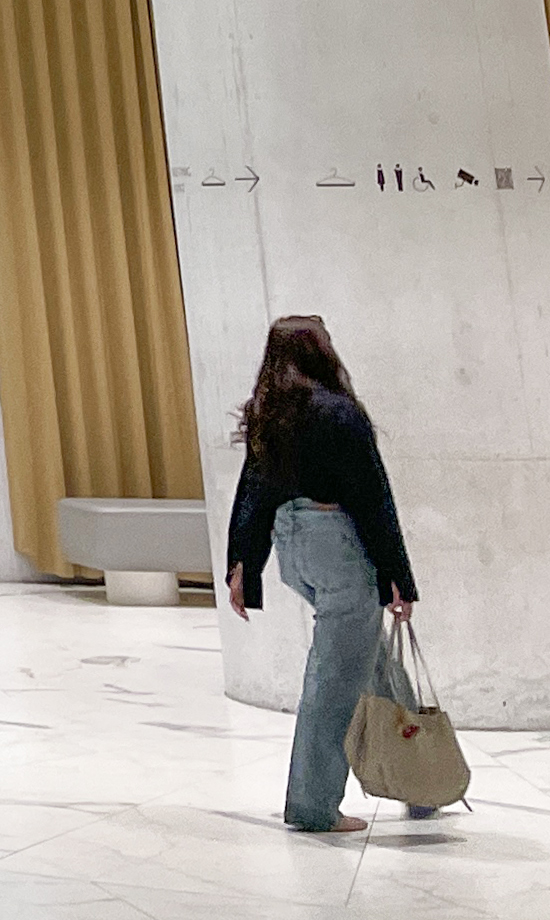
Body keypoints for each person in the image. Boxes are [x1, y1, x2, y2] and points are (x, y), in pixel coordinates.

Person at [225, 315, 421, 837]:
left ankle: (421, 782)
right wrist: (396, 576)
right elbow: (372, 497)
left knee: (371, 664)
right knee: (333, 682)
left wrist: (241, 565)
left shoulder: (269, 414)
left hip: (295, 550)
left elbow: (253, 494)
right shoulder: (339, 412)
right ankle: (313, 806)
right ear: (321, 351)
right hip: (337, 547)